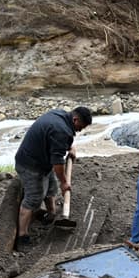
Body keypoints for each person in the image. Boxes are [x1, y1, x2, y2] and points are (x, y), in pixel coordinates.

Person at [14, 106, 93, 248]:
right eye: (80, 127)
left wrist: (70, 147)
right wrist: (64, 182)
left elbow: (54, 138)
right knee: (33, 199)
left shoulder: (61, 115)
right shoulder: (61, 130)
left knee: (51, 189)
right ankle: (22, 236)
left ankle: (50, 216)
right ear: (75, 119)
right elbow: (58, 162)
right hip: (30, 166)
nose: (80, 130)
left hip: (42, 161)